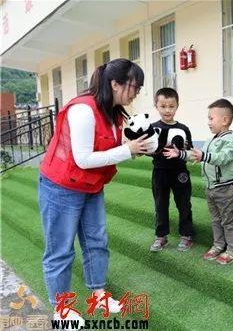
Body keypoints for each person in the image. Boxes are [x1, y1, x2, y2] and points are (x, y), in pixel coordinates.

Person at [38, 58, 150, 324]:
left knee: (96, 241)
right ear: (115, 84)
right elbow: (83, 159)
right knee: (61, 250)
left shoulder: (112, 111)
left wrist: (133, 148)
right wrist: (127, 151)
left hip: (90, 186)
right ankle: (62, 311)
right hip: (61, 187)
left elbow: (104, 151)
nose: (136, 93)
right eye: (134, 86)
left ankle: (98, 293)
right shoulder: (84, 110)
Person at [164, 98, 233, 265]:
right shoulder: (210, 140)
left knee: (228, 220)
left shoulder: (231, 141)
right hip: (211, 188)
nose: (208, 122)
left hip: (225, 189)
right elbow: (197, 155)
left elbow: (222, 158)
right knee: (215, 219)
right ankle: (218, 245)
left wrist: (204, 156)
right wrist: (181, 154)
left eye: (211, 118)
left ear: (225, 120)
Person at [149, 87, 194, 252]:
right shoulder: (152, 128)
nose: (167, 110)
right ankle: (161, 237)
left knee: (183, 203)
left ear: (177, 106)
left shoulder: (183, 128)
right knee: (160, 204)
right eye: (163, 106)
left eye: (171, 106)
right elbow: (146, 150)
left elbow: (190, 151)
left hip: (180, 172)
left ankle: (186, 235)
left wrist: (180, 153)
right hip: (159, 172)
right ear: (156, 106)